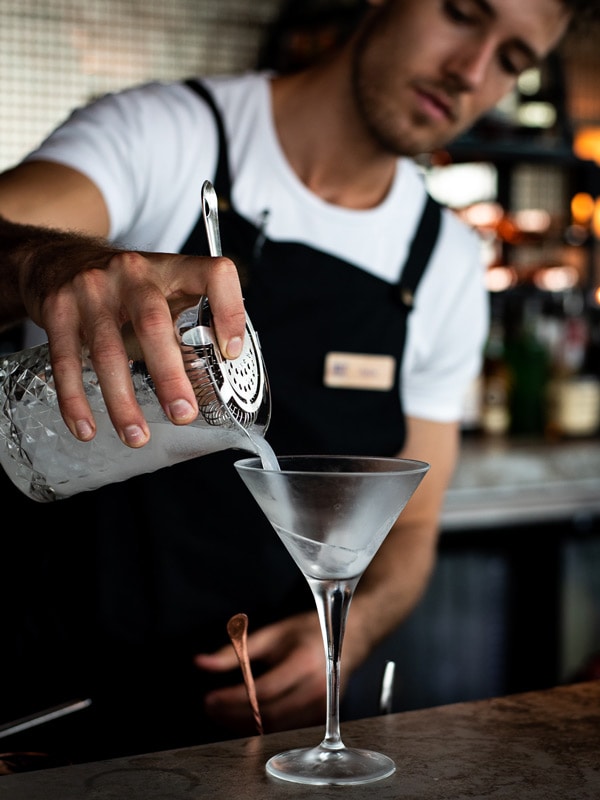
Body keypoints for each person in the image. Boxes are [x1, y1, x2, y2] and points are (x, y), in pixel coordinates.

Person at [0, 0, 595, 764]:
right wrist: (44, 263)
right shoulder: (166, 135)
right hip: (58, 705)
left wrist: (353, 630)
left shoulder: (443, 258)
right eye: (460, 13)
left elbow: (412, 525)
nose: (470, 71)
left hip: (261, 736)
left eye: (512, 60)